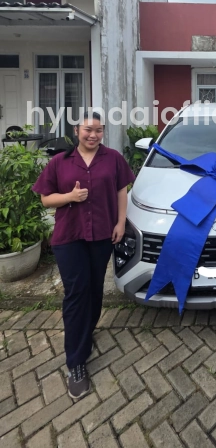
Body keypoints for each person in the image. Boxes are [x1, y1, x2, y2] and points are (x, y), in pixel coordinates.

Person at [33, 112, 135, 400]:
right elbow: (45, 198)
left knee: (94, 290)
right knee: (76, 293)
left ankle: (85, 333)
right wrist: (69, 197)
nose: (94, 135)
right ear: (76, 130)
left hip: (102, 234)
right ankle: (76, 363)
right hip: (70, 236)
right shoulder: (60, 162)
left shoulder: (113, 159)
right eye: (89, 129)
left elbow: (121, 191)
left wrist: (120, 222)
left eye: (99, 130)